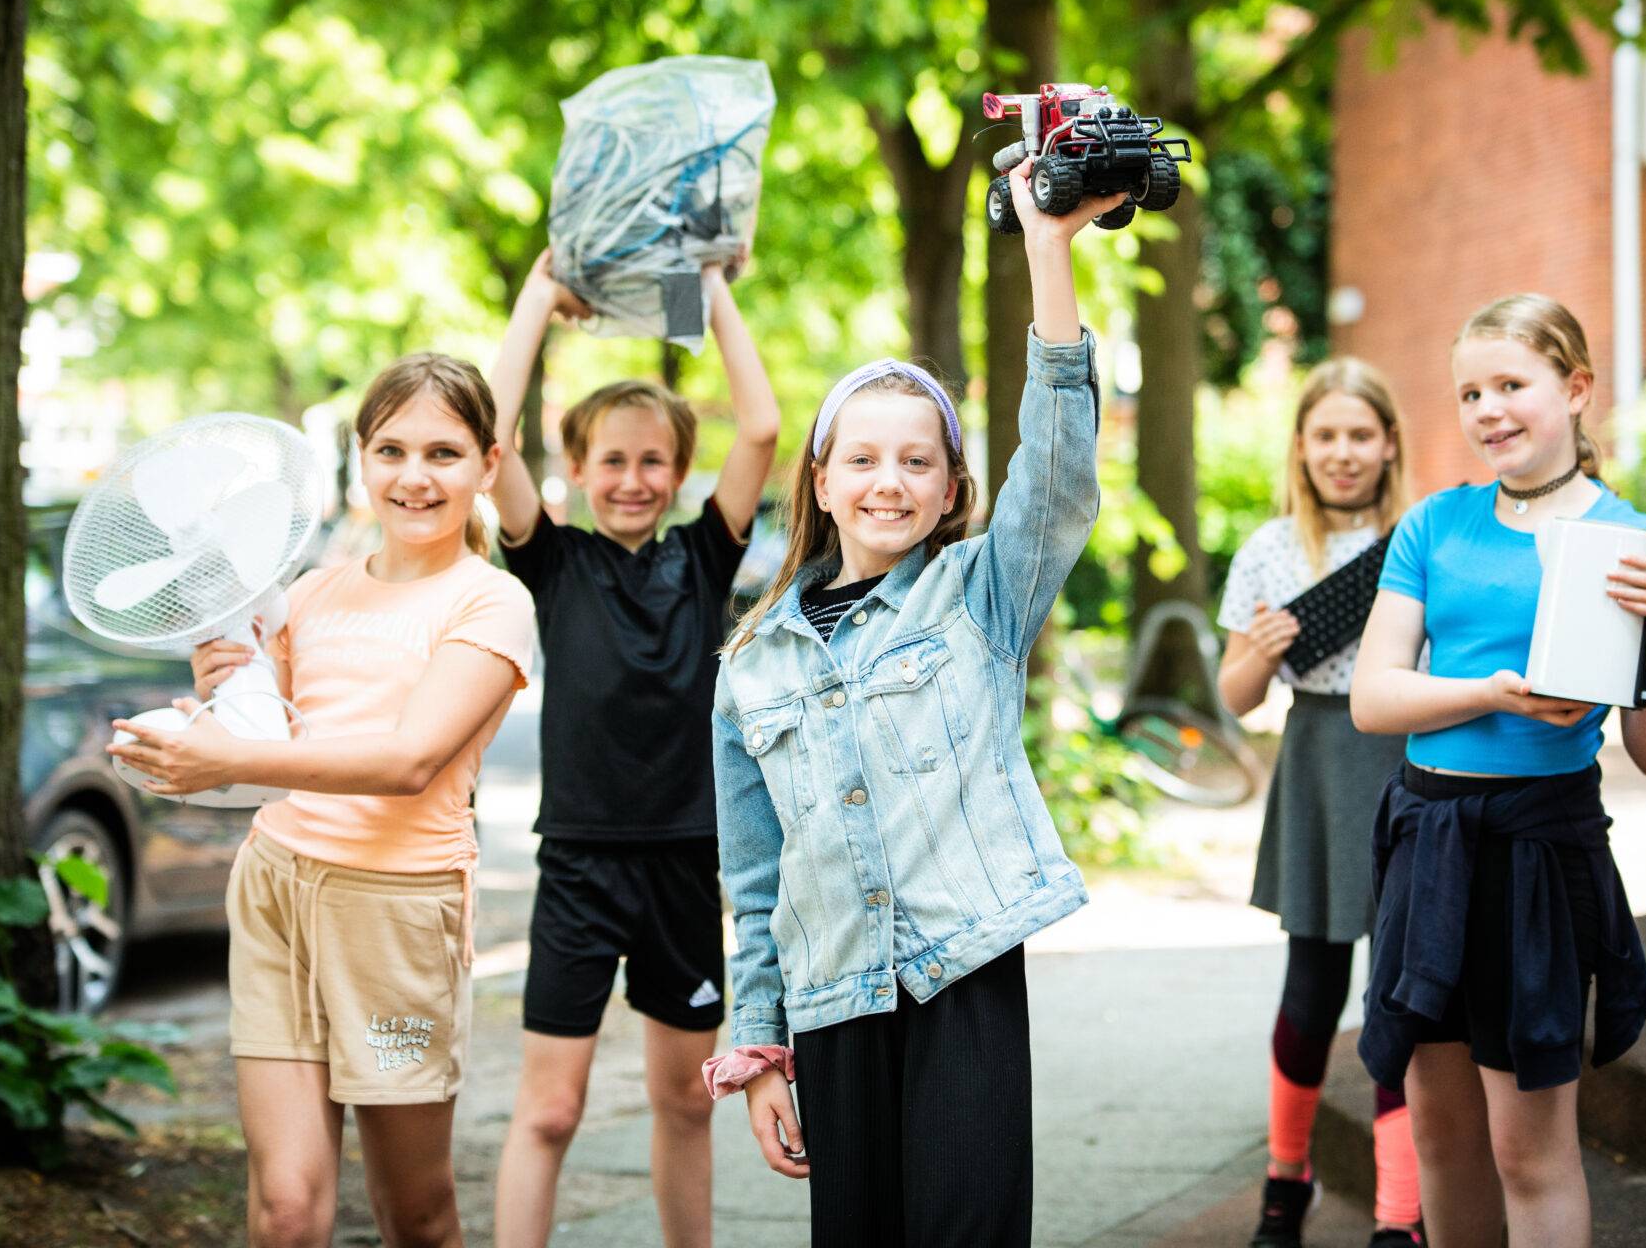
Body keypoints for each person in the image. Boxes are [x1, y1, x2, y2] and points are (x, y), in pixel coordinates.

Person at [699, 161, 1121, 1248]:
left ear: (949, 487)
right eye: (865, 458)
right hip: (831, 996)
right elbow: (754, 877)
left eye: (917, 461)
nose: (890, 480)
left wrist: (1047, 243)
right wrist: (762, 1051)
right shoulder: (750, 662)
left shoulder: (983, 592)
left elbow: (1063, 469)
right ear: (824, 479)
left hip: (962, 980)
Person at [110, 354, 536, 1248]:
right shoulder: (309, 591)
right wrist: (219, 698)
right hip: (275, 888)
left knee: (413, 1215)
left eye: (444, 454)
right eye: (390, 450)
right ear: (359, 458)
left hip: (393, 911)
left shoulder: (492, 601)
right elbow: (283, 750)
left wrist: (228, 758)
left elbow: (410, 759)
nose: (414, 477)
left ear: (489, 464)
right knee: (287, 1207)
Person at [1350, 294, 1646, 1248]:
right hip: (1426, 842)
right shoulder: (1435, 525)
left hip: (1538, 853)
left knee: (1528, 1150)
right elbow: (1375, 699)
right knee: (1441, 1133)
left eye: (1512, 384)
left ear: (1575, 389)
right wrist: (1493, 693)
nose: (1488, 410)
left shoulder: (1635, 543)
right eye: (1470, 392)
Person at [488, 250, 778, 1248]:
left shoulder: (705, 557)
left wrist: (712, 288)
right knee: (550, 1109)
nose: (632, 477)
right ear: (576, 468)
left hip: (687, 860)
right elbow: (489, 434)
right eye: (611, 459)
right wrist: (537, 296)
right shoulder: (553, 562)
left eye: (654, 459)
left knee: (688, 1099)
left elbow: (768, 426)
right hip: (578, 862)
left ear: (681, 471)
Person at [1215, 358, 1422, 1247]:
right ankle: (1284, 1183)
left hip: (1409, 763)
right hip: (1316, 760)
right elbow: (1234, 697)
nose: (1343, 452)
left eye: (1360, 436)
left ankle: (1399, 1214)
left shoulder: (1424, 537)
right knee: (1311, 988)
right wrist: (1260, 652)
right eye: (1326, 435)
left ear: (1388, 446)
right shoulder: (1269, 548)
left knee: (1401, 996)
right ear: (1300, 446)